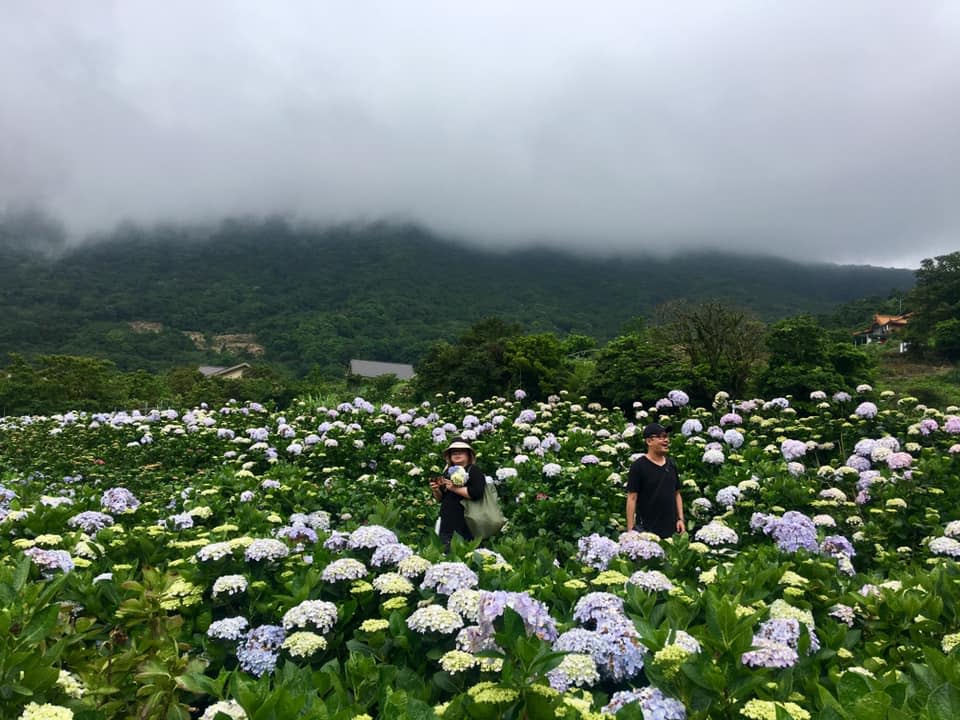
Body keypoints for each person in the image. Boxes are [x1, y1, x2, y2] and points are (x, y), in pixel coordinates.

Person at [625, 422, 686, 538]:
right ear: (649, 441)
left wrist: (681, 519)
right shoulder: (638, 466)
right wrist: (630, 531)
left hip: (671, 530)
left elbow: (677, 494)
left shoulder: (671, 464)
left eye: (667, 437)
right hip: (647, 530)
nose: (666, 440)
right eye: (661, 437)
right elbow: (632, 498)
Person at [430, 438, 486, 548]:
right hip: (447, 523)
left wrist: (454, 488)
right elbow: (440, 499)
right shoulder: (447, 472)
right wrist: (435, 489)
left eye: (461, 451)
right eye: (454, 452)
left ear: (468, 454)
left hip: (466, 523)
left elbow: (476, 493)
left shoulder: (474, 470)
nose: (457, 454)